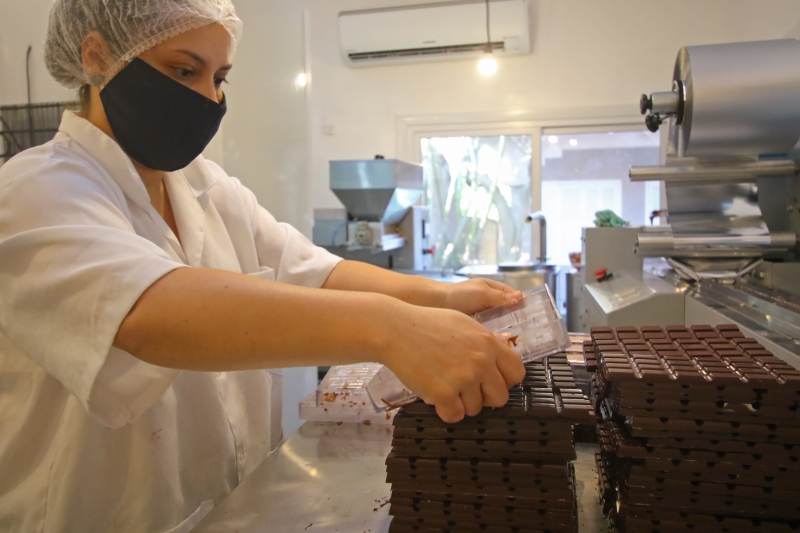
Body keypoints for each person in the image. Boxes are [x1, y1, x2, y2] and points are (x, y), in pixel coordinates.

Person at [0, 1, 526, 531]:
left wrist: (441, 296)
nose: (207, 97)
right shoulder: (36, 190)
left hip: (229, 508)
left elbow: (317, 272)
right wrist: (391, 329)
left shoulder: (207, 188)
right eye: (184, 71)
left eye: (219, 76)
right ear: (97, 55)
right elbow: (147, 313)